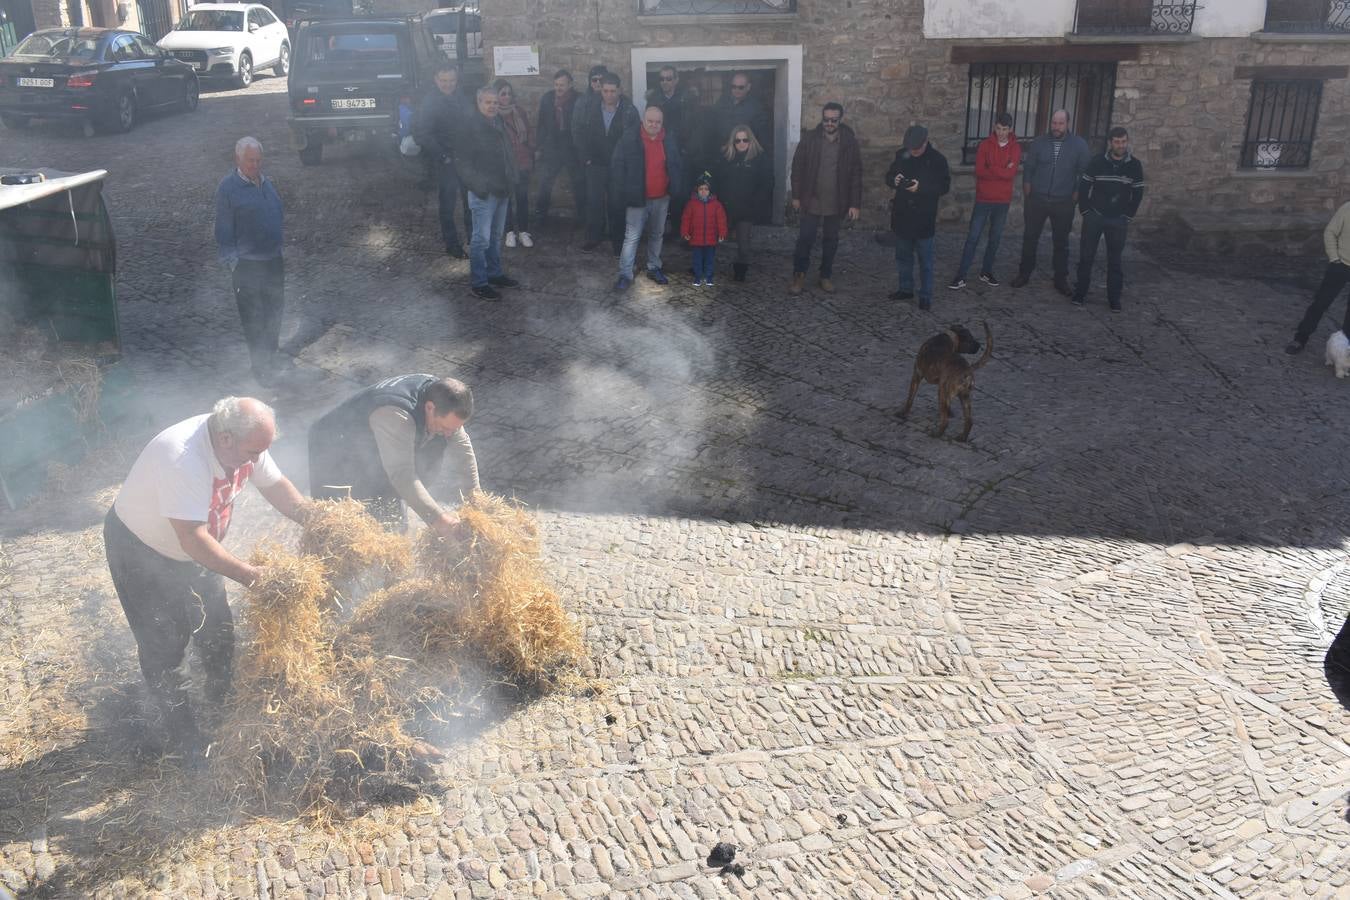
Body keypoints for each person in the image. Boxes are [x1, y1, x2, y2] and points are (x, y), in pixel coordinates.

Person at [104, 397, 308, 754]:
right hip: (142, 550)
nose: (257, 459)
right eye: (252, 451)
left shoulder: (247, 444)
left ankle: (221, 701)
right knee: (165, 643)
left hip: (196, 548)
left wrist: (317, 520)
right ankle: (183, 737)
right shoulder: (183, 458)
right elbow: (192, 538)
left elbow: (276, 486)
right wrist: (249, 575)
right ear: (226, 439)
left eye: (263, 450)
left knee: (217, 629)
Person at [308, 375, 480, 533]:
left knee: (395, 526)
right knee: (343, 531)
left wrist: (475, 498)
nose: (449, 434)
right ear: (430, 408)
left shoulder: (445, 399)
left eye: (454, 429)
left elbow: (461, 446)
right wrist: (439, 520)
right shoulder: (396, 414)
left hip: (374, 453)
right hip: (336, 451)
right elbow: (402, 474)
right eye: (445, 428)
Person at [214, 137, 287, 386]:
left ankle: (272, 357)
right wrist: (234, 263)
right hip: (248, 265)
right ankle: (261, 367)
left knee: (274, 312)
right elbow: (222, 230)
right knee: (254, 318)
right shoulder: (227, 188)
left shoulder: (265, 183)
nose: (255, 165)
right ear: (238, 159)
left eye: (258, 160)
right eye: (250, 161)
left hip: (273, 261)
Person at [1011, 109, 1090, 295]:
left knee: (1061, 242)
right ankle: (1024, 273)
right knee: (1030, 237)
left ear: (1068, 124)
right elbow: (1029, 166)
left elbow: (1084, 171)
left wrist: (1077, 193)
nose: (1056, 126)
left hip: (1063, 201)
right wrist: (1027, 187)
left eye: (1060, 123)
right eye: (1054, 122)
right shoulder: (1039, 142)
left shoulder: (1079, 145)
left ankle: (1060, 278)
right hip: (1037, 200)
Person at [788, 102, 862, 295]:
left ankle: (825, 275)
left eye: (833, 120)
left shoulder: (849, 142)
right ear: (822, 118)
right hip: (811, 198)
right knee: (805, 238)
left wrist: (855, 203)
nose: (829, 123)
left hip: (836, 201)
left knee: (831, 240)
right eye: (826, 119)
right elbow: (797, 168)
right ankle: (799, 274)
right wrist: (796, 196)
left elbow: (856, 173)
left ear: (840, 120)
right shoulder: (810, 139)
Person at [454, 86, 520, 301]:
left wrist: (512, 179)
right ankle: (479, 283)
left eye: (494, 102)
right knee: (480, 239)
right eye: (487, 102)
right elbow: (462, 163)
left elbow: (507, 154)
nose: (492, 106)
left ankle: (494, 273)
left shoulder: (498, 122)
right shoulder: (469, 127)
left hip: (502, 189)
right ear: (479, 103)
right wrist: (479, 186)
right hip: (483, 192)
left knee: (495, 237)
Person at [611, 104, 685, 291]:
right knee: (632, 237)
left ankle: (654, 267)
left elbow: (676, 164)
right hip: (638, 198)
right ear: (643, 120)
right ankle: (625, 274)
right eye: (650, 121)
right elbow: (618, 167)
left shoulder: (668, 139)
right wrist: (622, 192)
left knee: (656, 234)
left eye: (657, 122)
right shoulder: (630, 139)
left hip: (661, 197)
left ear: (662, 123)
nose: (653, 124)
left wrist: (674, 187)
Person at [1072, 126, 1146, 311]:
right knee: (1086, 257)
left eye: (1123, 142)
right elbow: (1084, 187)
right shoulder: (1097, 162)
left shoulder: (1134, 165)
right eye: (1117, 142)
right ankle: (1079, 294)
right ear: (1110, 143)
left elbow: (1138, 193)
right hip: (1095, 217)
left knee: (1115, 261)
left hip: (1118, 220)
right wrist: (1086, 211)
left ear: (1126, 142)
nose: (1120, 145)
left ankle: (1114, 299)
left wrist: (1127, 216)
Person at [950, 112, 1020, 290]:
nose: (1001, 133)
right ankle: (961, 275)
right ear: (994, 127)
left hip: (1002, 201)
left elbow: (1010, 174)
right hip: (983, 199)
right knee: (973, 237)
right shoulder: (985, 146)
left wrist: (993, 167)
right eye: (998, 128)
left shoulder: (1015, 148)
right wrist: (1002, 169)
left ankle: (986, 271)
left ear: (1010, 129)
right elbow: (980, 171)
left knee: (994, 239)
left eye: (1004, 129)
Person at [885, 125, 951, 310]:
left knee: (925, 261)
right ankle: (905, 289)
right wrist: (894, 180)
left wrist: (920, 188)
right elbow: (889, 176)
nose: (913, 152)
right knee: (903, 257)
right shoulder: (901, 155)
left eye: (916, 148)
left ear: (925, 142)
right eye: (910, 148)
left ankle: (925, 296)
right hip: (902, 217)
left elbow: (944, 187)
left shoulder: (938, 160)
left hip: (924, 218)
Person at [573, 72, 639, 255]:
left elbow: (633, 139)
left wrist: (625, 163)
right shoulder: (589, 106)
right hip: (595, 162)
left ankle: (618, 243)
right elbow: (578, 130)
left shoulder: (629, 110)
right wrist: (585, 156)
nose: (609, 95)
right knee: (593, 202)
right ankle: (593, 238)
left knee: (617, 203)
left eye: (613, 91)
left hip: (617, 164)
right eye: (606, 91)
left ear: (620, 90)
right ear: (601, 90)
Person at [414, 64, 473, 260]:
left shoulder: (462, 97)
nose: (448, 84)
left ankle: (474, 240)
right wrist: (443, 156)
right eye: (444, 81)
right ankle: (452, 244)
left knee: (470, 202)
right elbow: (424, 134)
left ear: (457, 80)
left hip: (465, 158)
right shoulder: (430, 102)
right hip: (446, 161)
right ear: (436, 80)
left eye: (452, 80)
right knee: (448, 204)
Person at [1287, 199, 1350, 354]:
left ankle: (1345, 348)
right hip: (1340, 265)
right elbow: (1330, 231)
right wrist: (1334, 258)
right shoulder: (1347, 209)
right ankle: (1300, 339)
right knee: (1320, 303)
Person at [712, 123, 773, 283]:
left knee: (744, 245)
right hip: (725, 207)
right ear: (732, 142)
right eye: (737, 141)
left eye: (745, 140)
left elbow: (766, 184)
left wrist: (756, 204)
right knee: (709, 238)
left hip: (746, 209)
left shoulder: (760, 159)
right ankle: (704, 265)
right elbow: (716, 179)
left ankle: (741, 269)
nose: (741, 144)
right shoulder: (725, 158)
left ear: (751, 141)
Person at [645, 66, 699, 226]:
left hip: (682, 151)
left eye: (669, 78)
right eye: (662, 79)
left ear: (676, 80)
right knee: (663, 189)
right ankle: (663, 229)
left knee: (681, 191)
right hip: (660, 150)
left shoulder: (688, 98)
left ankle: (682, 230)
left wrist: (689, 148)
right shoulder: (654, 100)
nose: (665, 82)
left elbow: (696, 126)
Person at [535, 70, 583, 226]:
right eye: (556, 84)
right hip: (552, 147)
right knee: (545, 183)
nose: (558, 88)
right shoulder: (548, 98)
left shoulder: (579, 99)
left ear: (570, 85)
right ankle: (540, 218)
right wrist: (539, 146)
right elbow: (541, 124)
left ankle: (584, 220)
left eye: (562, 85)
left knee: (579, 183)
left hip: (572, 147)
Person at [495, 79, 535, 249]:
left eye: (509, 94)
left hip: (521, 160)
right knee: (506, 199)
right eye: (503, 94)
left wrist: (532, 151)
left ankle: (523, 231)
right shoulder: (493, 115)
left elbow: (529, 132)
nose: (506, 97)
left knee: (522, 197)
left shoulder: (518, 111)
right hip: (504, 163)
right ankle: (509, 231)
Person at [707, 71, 772, 170]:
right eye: (734, 86)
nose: (736, 90)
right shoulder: (722, 102)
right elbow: (712, 127)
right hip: (724, 156)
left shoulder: (756, 107)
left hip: (746, 159)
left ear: (748, 87)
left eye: (741, 87)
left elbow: (762, 137)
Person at [681, 173, 729, 287]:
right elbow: (686, 219)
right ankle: (697, 277)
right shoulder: (691, 204)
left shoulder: (717, 205)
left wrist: (722, 233)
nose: (703, 191)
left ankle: (709, 277)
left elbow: (721, 220)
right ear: (697, 190)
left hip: (711, 238)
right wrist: (685, 232)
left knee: (709, 260)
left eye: (706, 189)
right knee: (697, 260)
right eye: (701, 189)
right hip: (696, 238)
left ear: (710, 191)